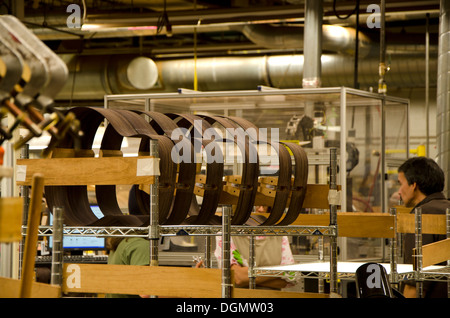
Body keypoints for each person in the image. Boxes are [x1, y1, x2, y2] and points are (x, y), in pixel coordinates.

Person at [397, 157, 450, 298]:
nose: (399, 192)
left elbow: (415, 282)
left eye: (401, 184)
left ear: (413, 185)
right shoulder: (447, 209)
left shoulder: (421, 215)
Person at [211, 210, 297, 290]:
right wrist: (279, 272)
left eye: (264, 206)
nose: (260, 209)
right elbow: (238, 277)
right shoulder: (225, 234)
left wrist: (248, 276)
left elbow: (286, 281)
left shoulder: (279, 234)